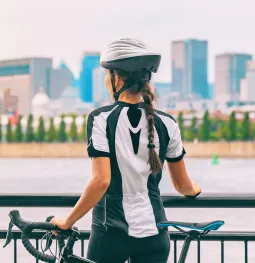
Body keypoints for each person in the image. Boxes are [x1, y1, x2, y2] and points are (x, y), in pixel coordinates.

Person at [51, 37, 201, 263]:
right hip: (155, 234)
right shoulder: (168, 123)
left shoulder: (100, 118)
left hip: (111, 234)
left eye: (106, 74)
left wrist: (67, 221)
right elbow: (182, 185)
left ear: (117, 79)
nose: (104, 79)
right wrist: (193, 190)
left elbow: (101, 181)